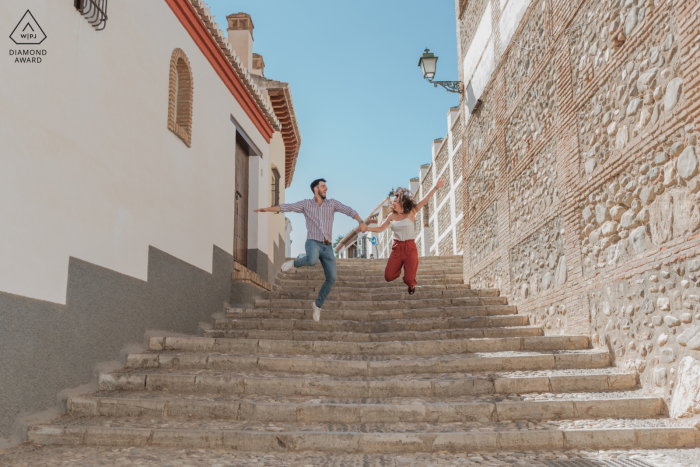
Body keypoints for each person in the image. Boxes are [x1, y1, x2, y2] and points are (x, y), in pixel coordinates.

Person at [254, 178, 367, 322]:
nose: (326, 189)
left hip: (328, 247)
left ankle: (317, 305)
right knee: (312, 260)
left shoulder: (332, 203)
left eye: (326, 186)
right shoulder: (306, 204)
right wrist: (266, 209)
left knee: (332, 277)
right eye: (323, 186)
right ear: (316, 189)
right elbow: (287, 207)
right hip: (313, 242)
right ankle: (294, 263)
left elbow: (349, 210)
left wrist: (361, 221)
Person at [364, 178, 445, 294]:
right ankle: (401, 268)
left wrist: (436, 187)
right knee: (388, 276)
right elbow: (381, 228)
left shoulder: (411, 212)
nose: (393, 203)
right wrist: (367, 228)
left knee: (409, 279)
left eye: (395, 201)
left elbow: (425, 199)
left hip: (410, 248)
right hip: (396, 249)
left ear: (402, 202)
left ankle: (411, 285)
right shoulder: (391, 216)